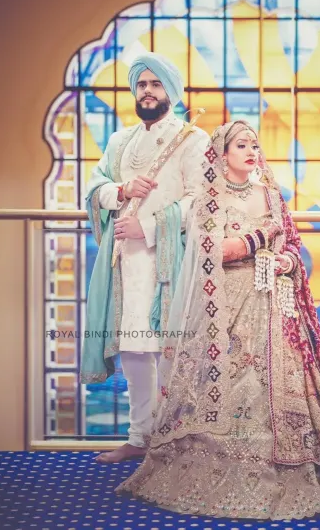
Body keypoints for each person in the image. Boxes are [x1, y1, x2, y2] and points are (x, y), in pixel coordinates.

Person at [115, 119, 320, 519]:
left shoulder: (270, 195)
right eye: (241, 145)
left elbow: (289, 246)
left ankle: (289, 457)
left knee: (276, 378)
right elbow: (214, 252)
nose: (252, 151)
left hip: (272, 299)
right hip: (226, 302)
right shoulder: (208, 198)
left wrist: (284, 257)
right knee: (232, 375)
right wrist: (259, 239)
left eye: (254, 144)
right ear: (222, 154)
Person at [80, 52, 209, 464]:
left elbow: (201, 200)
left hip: (171, 259)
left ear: (170, 91)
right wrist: (120, 191)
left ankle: (178, 442)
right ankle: (140, 439)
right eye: (141, 84)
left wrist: (150, 228)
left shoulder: (193, 139)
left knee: (174, 350)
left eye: (155, 84)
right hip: (123, 261)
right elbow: (95, 185)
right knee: (135, 349)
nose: (147, 91)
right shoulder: (120, 141)